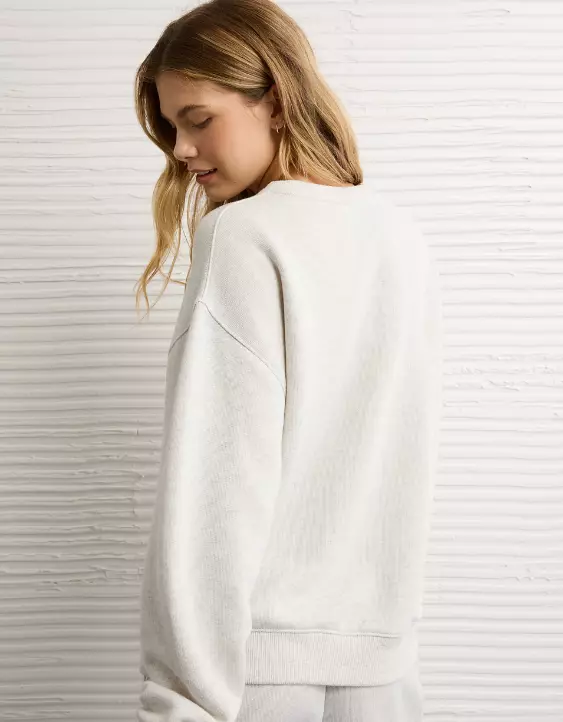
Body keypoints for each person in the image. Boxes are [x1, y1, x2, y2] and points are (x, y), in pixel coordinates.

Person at [133, 1, 443, 720]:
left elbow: (215, 492)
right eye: (172, 128)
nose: (181, 150)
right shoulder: (399, 236)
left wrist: (180, 699)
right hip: (384, 675)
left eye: (198, 119)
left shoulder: (243, 236)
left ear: (273, 100)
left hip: (257, 678)